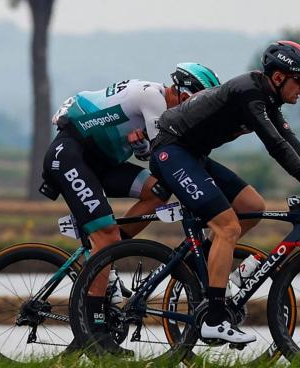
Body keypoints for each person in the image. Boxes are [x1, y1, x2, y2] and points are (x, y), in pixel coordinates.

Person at [149, 41, 300, 344]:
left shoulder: (269, 99)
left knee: (251, 204)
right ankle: (215, 319)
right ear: (280, 77)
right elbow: (276, 147)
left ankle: (204, 270)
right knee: (227, 226)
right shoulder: (250, 92)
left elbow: (292, 142)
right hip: (171, 151)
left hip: (193, 155)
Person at [43, 63, 221, 342]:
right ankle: (96, 331)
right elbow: (165, 154)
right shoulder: (153, 98)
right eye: (197, 105)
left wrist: (140, 147)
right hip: (71, 156)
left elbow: (152, 152)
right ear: (186, 96)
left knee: (157, 192)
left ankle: (107, 253)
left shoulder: (159, 104)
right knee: (106, 238)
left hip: (100, 161)